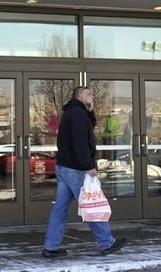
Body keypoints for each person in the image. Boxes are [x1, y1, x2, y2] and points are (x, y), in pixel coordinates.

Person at [42, 85, 128, 257]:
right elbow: (80, 141)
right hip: (76, 169)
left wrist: (90, 110)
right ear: (79, 95)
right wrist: (88, 165)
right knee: (92, 204)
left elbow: (88, 127)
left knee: (60, 208)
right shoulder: (78, 114)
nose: (92, 96)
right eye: (89, 93)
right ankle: (107, 243)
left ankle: (50, 247)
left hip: (64, 167)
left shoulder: (72, 112)